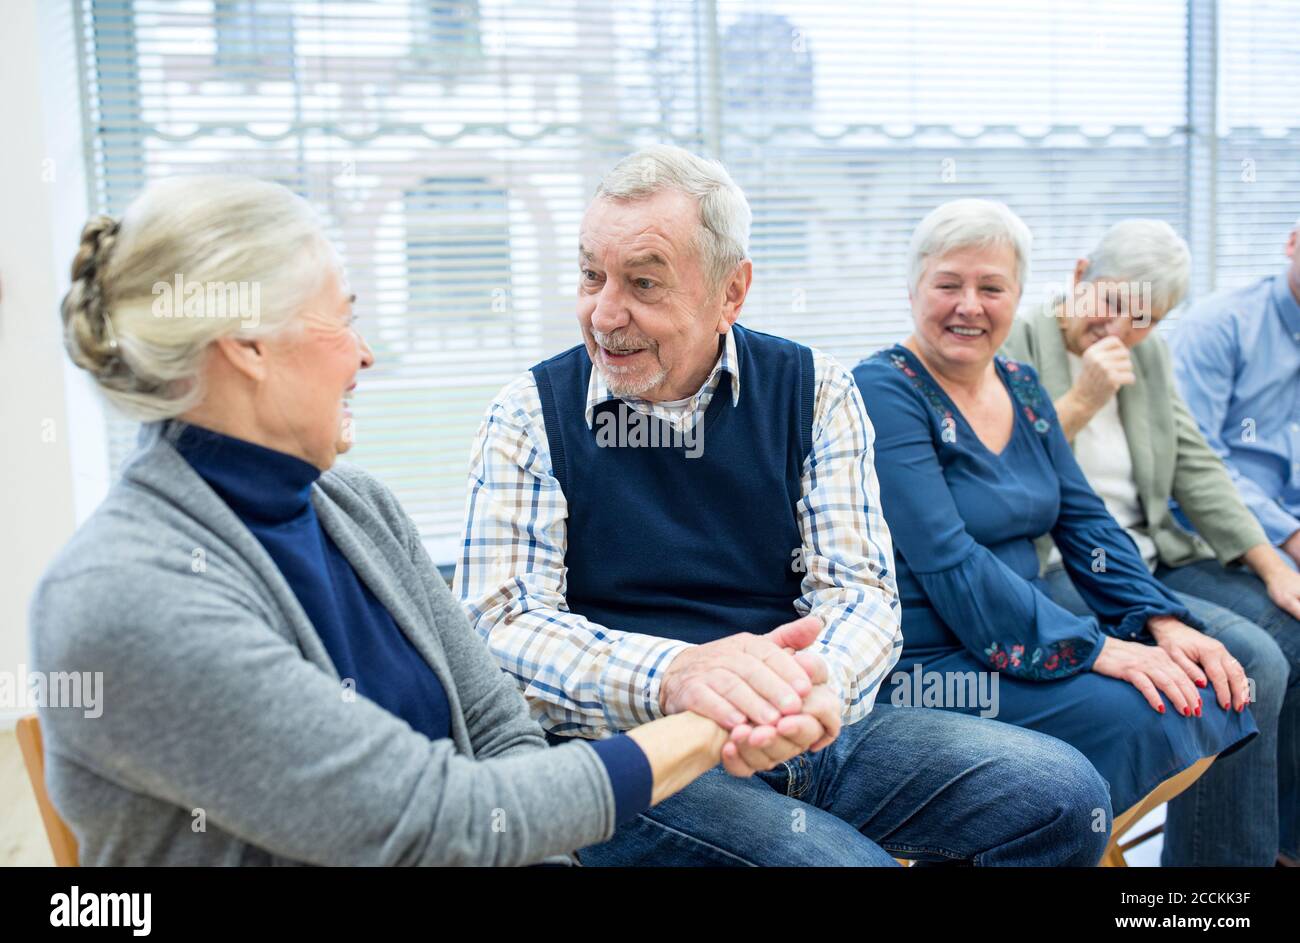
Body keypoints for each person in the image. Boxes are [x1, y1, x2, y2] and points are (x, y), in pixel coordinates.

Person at [28, 175, 803, 867]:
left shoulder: (357, 509)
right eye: (343, 322)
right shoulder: (126, 596)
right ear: (248, 347)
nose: (363, 356)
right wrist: (713, 716)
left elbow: (504, 738)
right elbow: (438, 819)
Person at [457, 146, 1111, 866]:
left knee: (1063, 795)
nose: (605, 313)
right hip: (637, 752)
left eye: (643, 283)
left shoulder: (817, 390)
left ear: (730, 293)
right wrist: (680, 676)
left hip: (805, 720)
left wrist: (798, 694)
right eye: (590, 276)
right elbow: (501, 626)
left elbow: (861, 596)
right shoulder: (528, 413)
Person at [852, 199, 1261, 866]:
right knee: (1150, 710)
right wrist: (1095, 647)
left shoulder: (1022, 384)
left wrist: (1162, 621)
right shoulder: (882, 389)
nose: (969, 306)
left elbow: (1084, 520)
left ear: (1017, 297)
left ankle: (1030, 840)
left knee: (1208, 687)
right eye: (948, 284)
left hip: (1019, 631)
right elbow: (947, 559)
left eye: (991, 288)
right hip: (934, 659)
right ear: (913, 289)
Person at [1003, 218, 1298, 865]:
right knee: (1246, 665)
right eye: (1110, 305)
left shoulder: (1151, 355)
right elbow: (1005, 476)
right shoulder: (1015, 342)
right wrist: (1081, 399)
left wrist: (1272, 565)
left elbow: (1196, 465)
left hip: (1151, 552)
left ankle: (1268, 850)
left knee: (1287, 632)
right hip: (1063, 567)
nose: (1121, 332)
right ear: (1079, 276)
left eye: (1145, 320)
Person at [1172, 216, 1300, 569]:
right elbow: (1195, 462)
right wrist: (1290, 536)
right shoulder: (1217, 326)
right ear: (1292, 243)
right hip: (1227, 529)